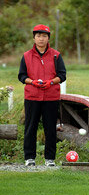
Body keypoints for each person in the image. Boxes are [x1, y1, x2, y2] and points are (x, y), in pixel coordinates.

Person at [18, 24, 66, 167]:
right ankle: (29, 158)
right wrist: (32, 82)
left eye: (44, 36)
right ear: (34, 38)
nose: (41, 39)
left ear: (48, 38)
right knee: (30, 127)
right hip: (32, 96)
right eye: (38, 36)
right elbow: (21, 76)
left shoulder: (56, 55)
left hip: (51, 97)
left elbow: (62, 75)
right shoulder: (26, 56)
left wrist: (51, 82)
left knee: (50, 128)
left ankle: (50, 159)